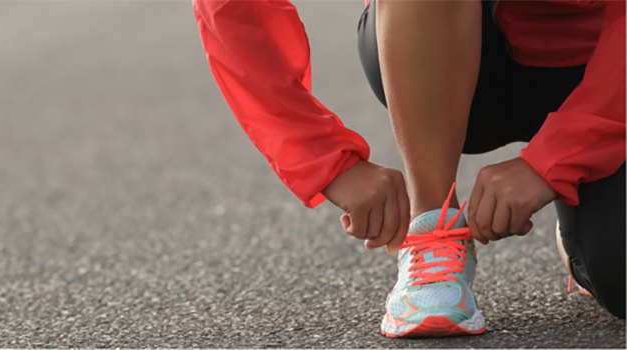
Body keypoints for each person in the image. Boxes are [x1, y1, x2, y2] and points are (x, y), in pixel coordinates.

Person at [193, 0, 625, 338]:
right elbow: (232, 8)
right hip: (444, 41)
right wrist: (324, 161)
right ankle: (432, 230)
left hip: (604, 61)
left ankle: (585, 227)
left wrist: (556, 160)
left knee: (619, 270)